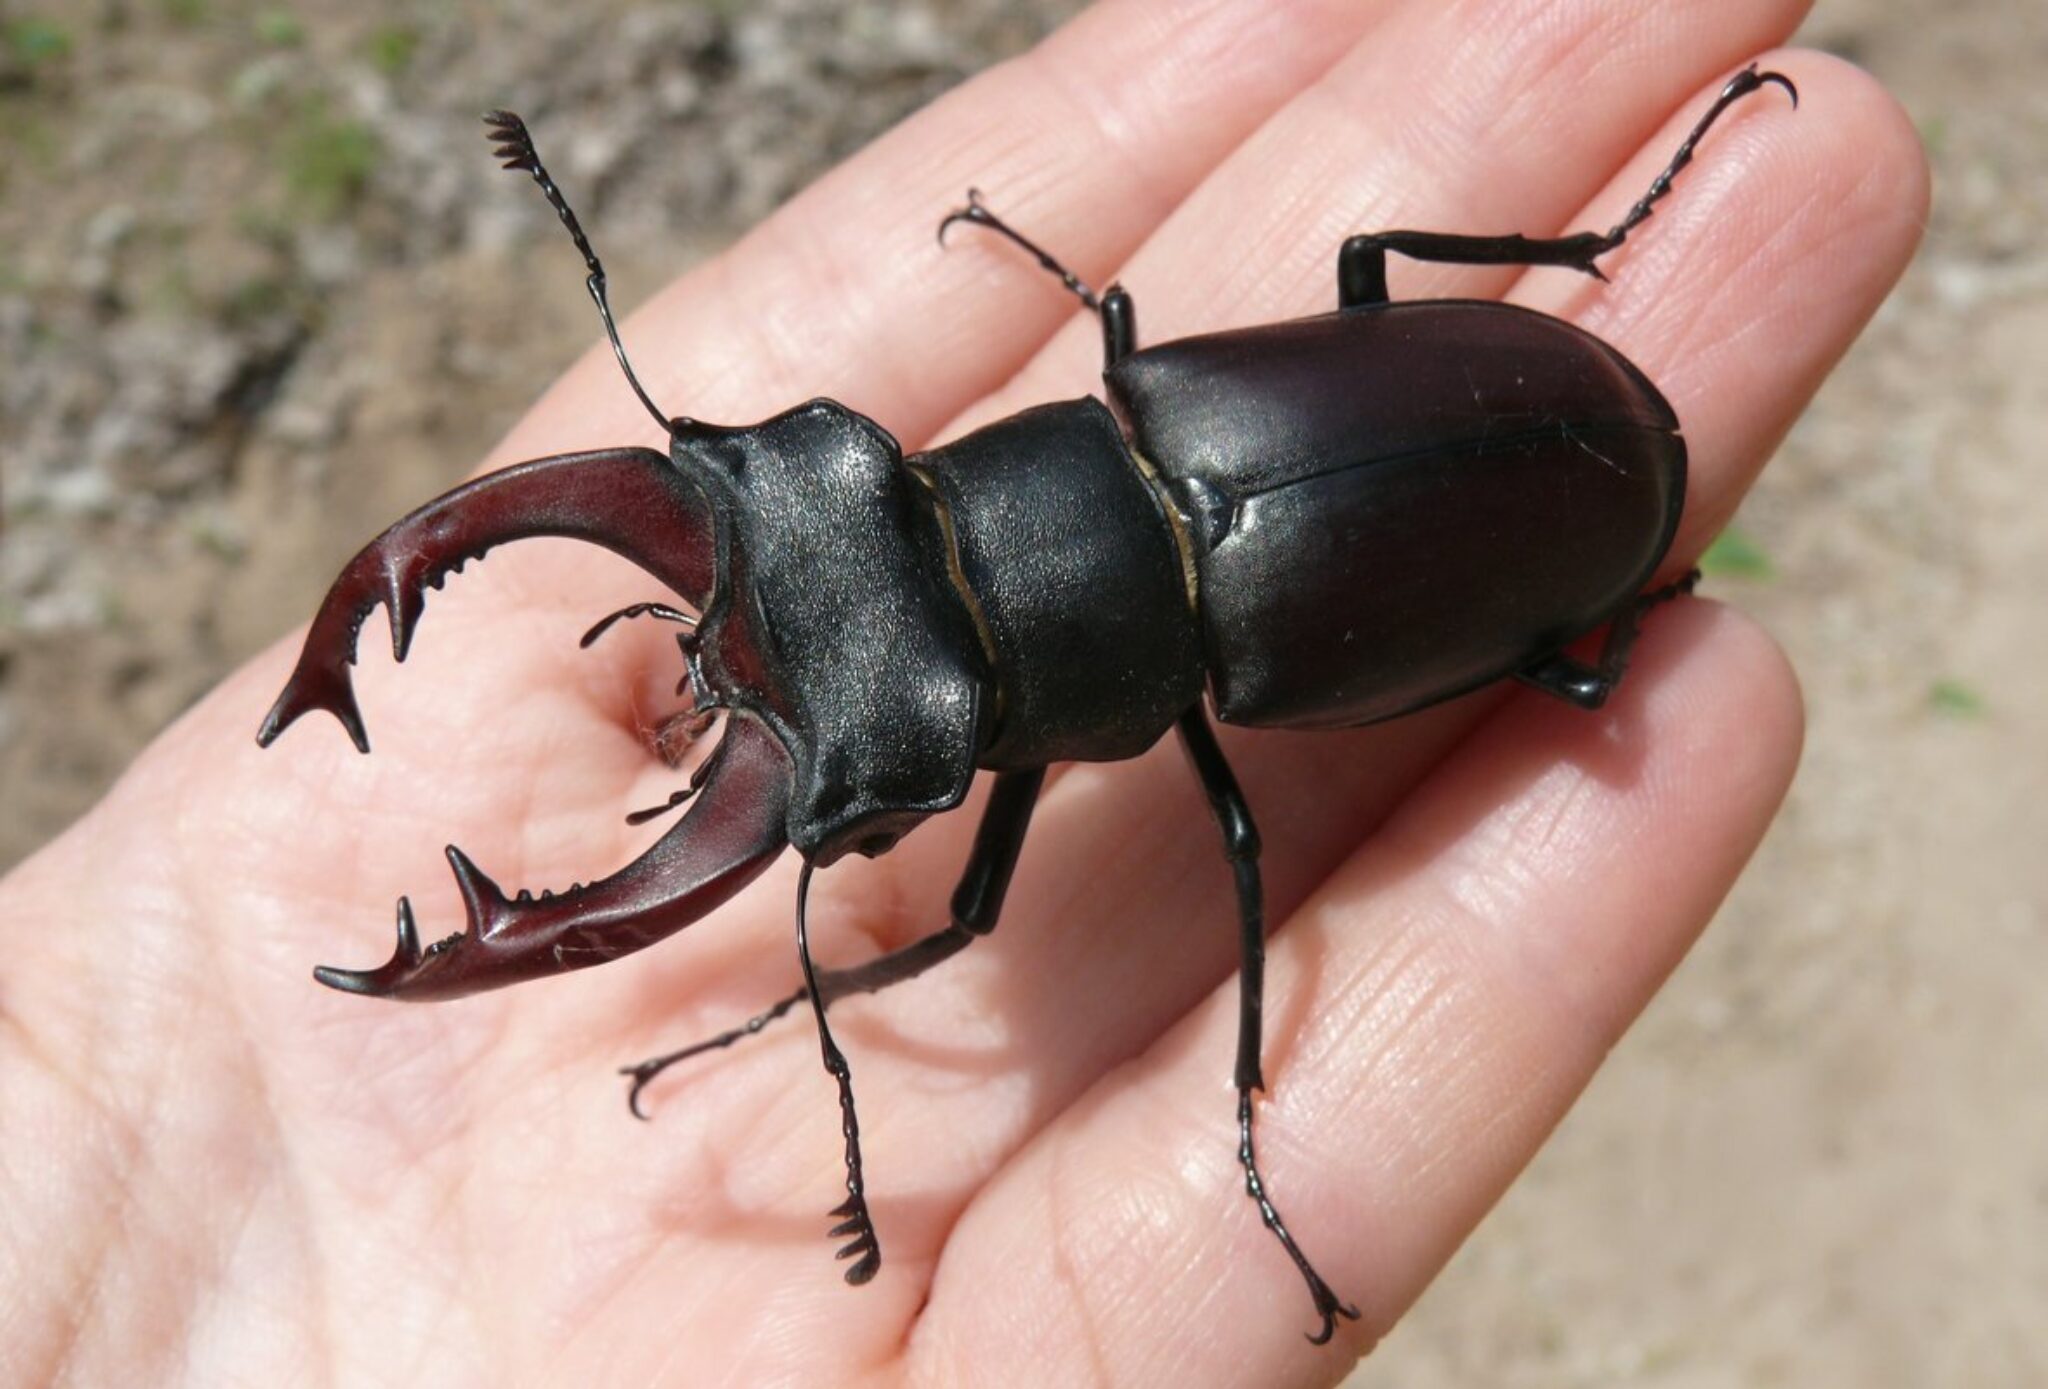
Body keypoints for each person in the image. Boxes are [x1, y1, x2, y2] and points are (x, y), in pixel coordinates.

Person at [0, 1, 1924, 1381]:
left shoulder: (1204, 586)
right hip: (1474, 472)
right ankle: (1592, 585)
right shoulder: (1145, 374)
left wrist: (815, 1005)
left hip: (1513, 510)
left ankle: (1602, 434)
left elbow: (1062, 892)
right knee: (1395, 362)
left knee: (1309, 808)